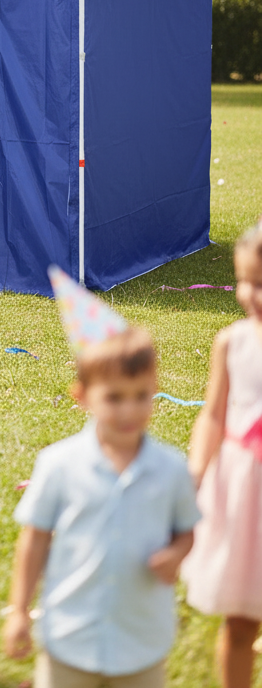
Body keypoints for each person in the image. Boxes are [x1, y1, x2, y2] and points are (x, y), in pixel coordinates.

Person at [3, 323, 199, 688]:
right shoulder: (59, 464)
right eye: (114, 397)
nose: (129, 410)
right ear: (82, 396)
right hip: (70, 635)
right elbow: (35, 539)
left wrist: (176, 554)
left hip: (141, 640)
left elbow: (187, 530)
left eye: (141, 395)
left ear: (154, 390)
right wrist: (18, 612)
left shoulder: (170, 468)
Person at [183, 223, 262, 688]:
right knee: (240, 617)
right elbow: (213, 414)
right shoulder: (232, 342)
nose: (253, 293)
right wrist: (196, 471)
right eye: (246, 280)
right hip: (244, 493)